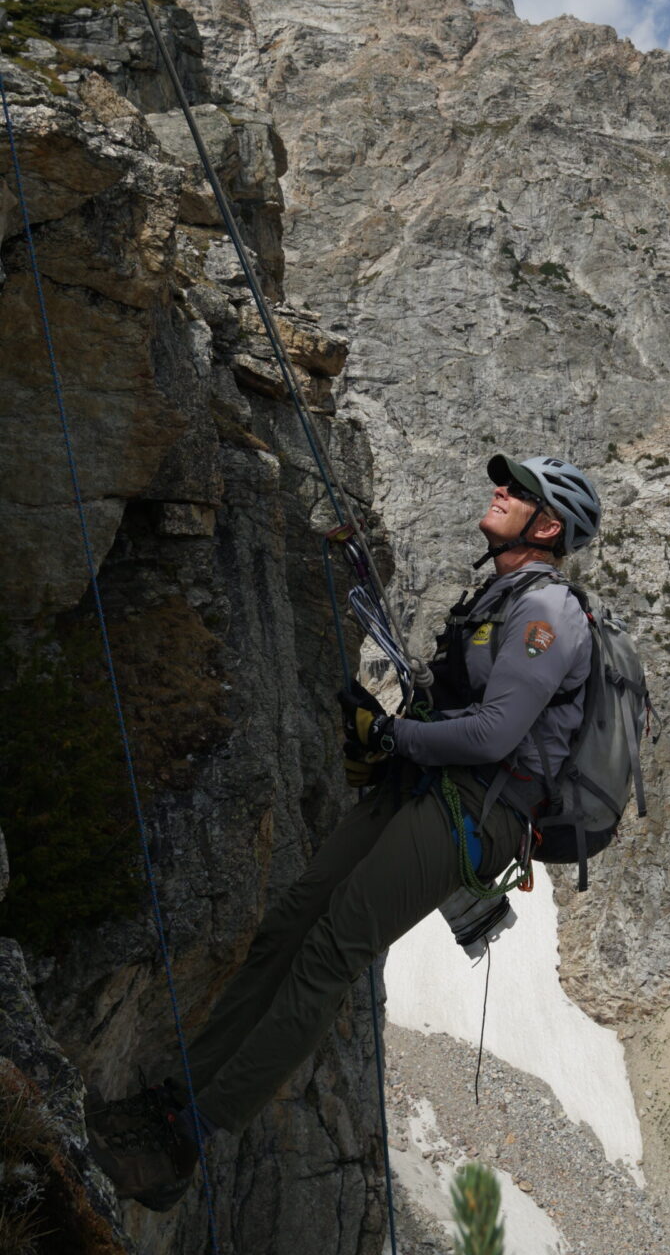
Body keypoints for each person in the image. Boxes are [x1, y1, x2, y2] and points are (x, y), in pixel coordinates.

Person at [87, 452, 601, 1211]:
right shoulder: (503, 593)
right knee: (288, 929)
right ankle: (179, 1094)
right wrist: (395, 738)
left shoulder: (547, 612)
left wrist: (392, 738)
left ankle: (185, 1137)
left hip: (473, 811)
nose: (500, 491)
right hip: (428, 789)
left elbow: (494, 735)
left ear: (548, 523)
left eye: (518, 491)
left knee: (329, 953)